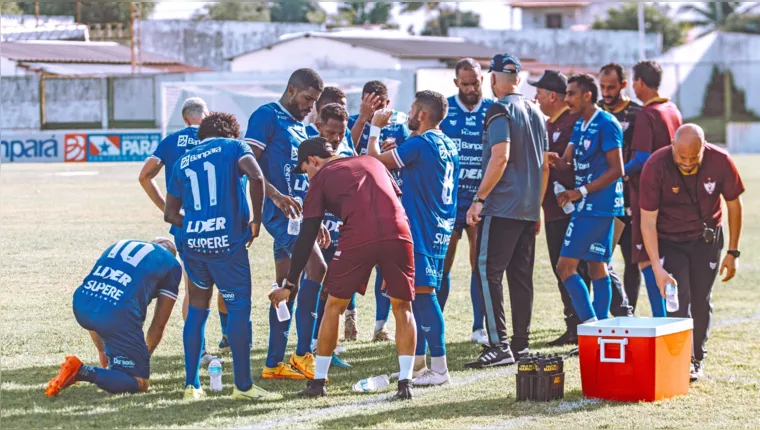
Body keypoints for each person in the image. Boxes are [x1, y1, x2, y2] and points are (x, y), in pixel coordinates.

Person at [273, 138, 418, 400]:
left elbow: (306, 236)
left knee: (334, 305)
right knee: (403, 306)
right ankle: (406, 382)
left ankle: (318, 382)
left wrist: (290, 284)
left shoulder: (322, 176)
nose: (307, 176)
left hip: (359, 234)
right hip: (400, 231)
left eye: (305, 169)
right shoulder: (372, 161)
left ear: (313, 161)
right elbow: (392, 196)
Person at [165, 112, 278, 401]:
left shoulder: (183, 161)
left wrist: (193, 225)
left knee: (197, 311)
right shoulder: (235, 147)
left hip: (194, 245)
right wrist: (255, 220)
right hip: (227, 246)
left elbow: (169, 214)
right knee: (238, 309)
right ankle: (243, 386)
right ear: (230, 132)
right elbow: (255, 175)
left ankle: (192, 386)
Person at [368, 90, 459, 386]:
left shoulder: (420, 143)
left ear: (421, 114)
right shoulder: (446, 143)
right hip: (439, 226)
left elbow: (373, 161)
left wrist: (374, 127)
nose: (407, 114)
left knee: (423, 295)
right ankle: (418, 365)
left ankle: (440, 369)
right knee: (415, 296)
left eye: (411, 109)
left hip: (421, 227)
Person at [640, 124, 743, 381]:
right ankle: (680, 359)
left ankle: (697, 357)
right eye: (681, 157)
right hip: (670, 240)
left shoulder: (720, 161)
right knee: (677, 299)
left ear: (704, 149)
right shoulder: (655, 165)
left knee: (700, 299)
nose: (687, 163)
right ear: (672, 146)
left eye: (693, 157)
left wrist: (733, 252)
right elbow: (648, 221)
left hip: (706, 240)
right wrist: (657, 267)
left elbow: (734, 204)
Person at [464, 54, 548, 369]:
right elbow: (544, 166)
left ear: (495, 78)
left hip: (501, 207)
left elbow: (500, 157)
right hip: (527, 208)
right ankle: (520, 344)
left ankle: (499, 346)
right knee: (521, 277)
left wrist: (480, 198)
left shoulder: (499, 109)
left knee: (488, 271)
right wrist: (537, 206)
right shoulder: (537, 112)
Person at [244, 68, 328, 380]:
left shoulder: (300, 127)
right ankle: (303, 354)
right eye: (308, 99)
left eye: (315, 101)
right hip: (279, 214)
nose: (311, 106)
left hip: (298, 215)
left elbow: (305, 180)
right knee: (317, 269)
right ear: (292, 90)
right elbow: (248, 164)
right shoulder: (267, 116)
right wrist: (276, 196)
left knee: (285, 286)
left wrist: (313, 216)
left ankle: (273, 364)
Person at [137, 97, 230, 356]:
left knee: (194, 288)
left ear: (185, 118)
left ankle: (198, 351)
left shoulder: (171, 141)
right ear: (206, 115)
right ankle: (229, 336)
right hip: (218, 222)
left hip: (185, 223)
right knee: (228, 282)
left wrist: (167, 208)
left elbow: (144, 175)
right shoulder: (219, 140)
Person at [46, 238, 181, 397]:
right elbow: (159, 324)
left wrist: (102, 350)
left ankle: (96, 365)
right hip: (116, 313)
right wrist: (143, 358)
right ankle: (80, 371)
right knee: (140, 382)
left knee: (102, 307)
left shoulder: (120, 244)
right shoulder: (172, 264)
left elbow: (99, 296)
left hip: (83, 303)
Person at [552, 74, 625, 330]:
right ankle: (601, 326)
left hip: (597, 207)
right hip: (589, 206)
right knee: (597, 266)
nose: (567, 99)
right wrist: (550, 159)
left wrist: (579, 191)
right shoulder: (579, 124)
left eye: (571, 94)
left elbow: (617, 169)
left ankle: (590, 325)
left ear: (587, 95)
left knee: (565, 267)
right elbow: (567, 161)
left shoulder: (607, 123)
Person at [348, 80, 410, 342]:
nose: (373, 109)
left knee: (385, 267)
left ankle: (380, 326)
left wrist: (396, 153)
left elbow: (409, 157)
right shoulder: (353, 120)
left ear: (387, 105)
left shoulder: (400, 125)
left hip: (387, 202)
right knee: (350, 265)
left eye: (378, 105)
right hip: (355, 203)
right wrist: (363, 119)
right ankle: (349, 316)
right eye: (368, 104)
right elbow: (344, 151)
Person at [439, 58, 494, 346]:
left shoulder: (494, 110)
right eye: (465, 83)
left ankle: (478, 328)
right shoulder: (444, 109)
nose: (471, 88)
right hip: (448, 200)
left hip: (481, 199)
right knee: (443, 263)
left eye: (476, 82)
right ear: (456, 83)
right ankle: (433, 326)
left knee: (479, 264)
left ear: (482, 79)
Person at [531, 70, 588, 347]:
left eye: (539, 93)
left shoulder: (574, 122)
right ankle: (573, 325)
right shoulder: (548, 125)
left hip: (576, 211)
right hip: (554, 211)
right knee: (560, 268)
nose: (536, 98)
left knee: (585, 269)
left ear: (552, 95)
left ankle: (593, 322)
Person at [628, 60, 683, 317]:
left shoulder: (646, 114)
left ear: (639, 82)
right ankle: (673, 317)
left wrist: (616, 173)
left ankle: (662, 319)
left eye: (633, 80)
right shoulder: (673, 109)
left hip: (648, 196)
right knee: (665, 258)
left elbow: (642, 159)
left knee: (646, 259)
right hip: (674, 195)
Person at [305, 87, 360, 343]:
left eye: (341, 132)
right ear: (318, 127)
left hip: (343, 231)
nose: (337, 138)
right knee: (314, 287)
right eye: (331, 132)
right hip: (317, 231)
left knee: (336, 290)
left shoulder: (347, 146)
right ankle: (309, 344)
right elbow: (303, 189)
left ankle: (327, 345)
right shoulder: (308, 150)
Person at [599, 63, 642, 315]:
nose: (605, 92)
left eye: (611, 87)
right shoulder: (597, 112)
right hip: (602, 198)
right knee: (598, 258)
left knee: (631, 259)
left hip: (630, 199)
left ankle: (630, 312)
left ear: (623, 86)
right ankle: (604, 312)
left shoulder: (637, 114)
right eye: (602, 86)